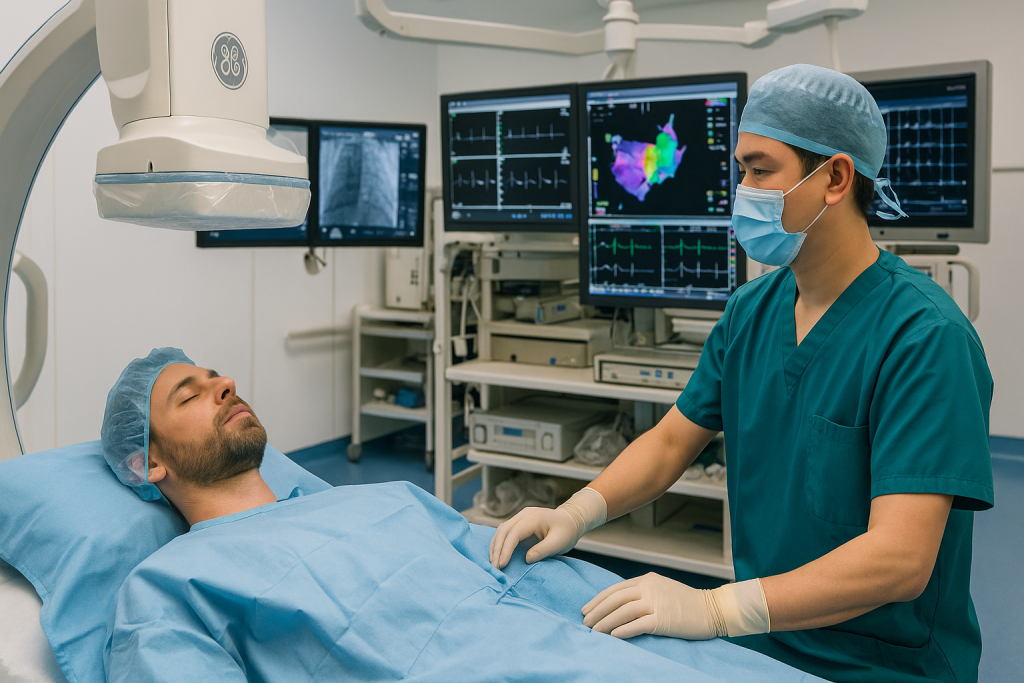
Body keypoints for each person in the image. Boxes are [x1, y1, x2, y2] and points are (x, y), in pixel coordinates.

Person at [490, 64, 994, 683]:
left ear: (835, 177)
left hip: (880, 661)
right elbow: (673, 440)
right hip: (766, 640)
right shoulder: (752, 310)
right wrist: (576, 511)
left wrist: (716, 607)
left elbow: (899, 560)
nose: (742, 190)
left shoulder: (925, 337)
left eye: (760, 170)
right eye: (741, 171)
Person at [98, 348, 823, 683]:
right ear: (148, 462)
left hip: (604, 640)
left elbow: (521, 574)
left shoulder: (375, 496)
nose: (223, 382)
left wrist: (579, 521)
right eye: (189, 395)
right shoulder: (168, 583)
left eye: (215, 373)